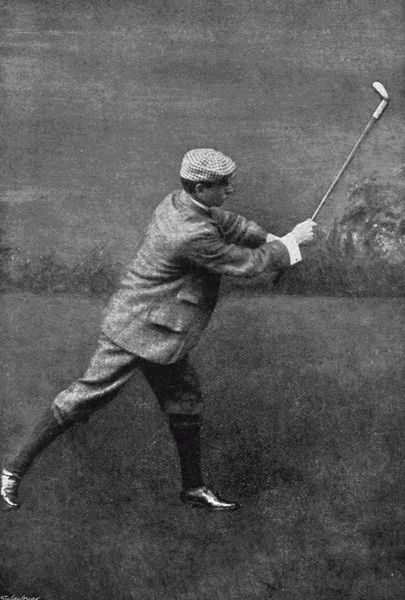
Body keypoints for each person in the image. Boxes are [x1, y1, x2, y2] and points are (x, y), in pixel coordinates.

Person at [1, 148, 316, 512]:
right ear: (201, 187)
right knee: (83, 398)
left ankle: (193, 489)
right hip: (137, 327)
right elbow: (245, 264)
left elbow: (229, 224)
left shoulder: (181, 203)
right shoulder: (189, 233)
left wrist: (277, 238)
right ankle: (10, 472)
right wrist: (291, 244)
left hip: (163, 330)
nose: (230, 189)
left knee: (185, 399)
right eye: (223, 184)